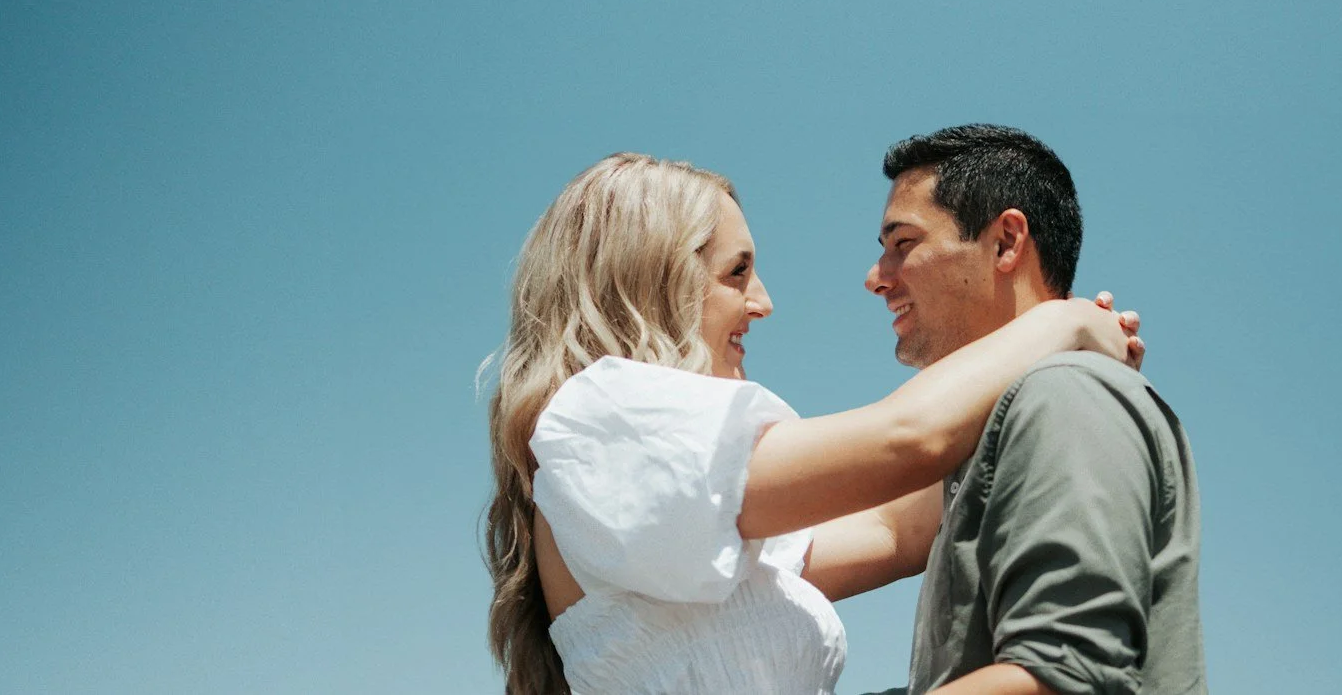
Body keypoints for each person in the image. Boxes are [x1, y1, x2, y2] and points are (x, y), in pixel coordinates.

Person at [483, 151, 1144, 695]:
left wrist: (1039, 374)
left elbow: (898, 530)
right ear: (648, 281)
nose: (762, 302)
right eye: (735, 272)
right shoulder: (605, 423)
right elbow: (908, 439)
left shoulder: (671, 500)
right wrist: (1061, 321)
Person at [864, 123, 1207, 695]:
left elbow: (1060, 676)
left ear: (1005, 243)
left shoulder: (1066, 395)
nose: (878, 277)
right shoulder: (1003, 434)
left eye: (903, 244)